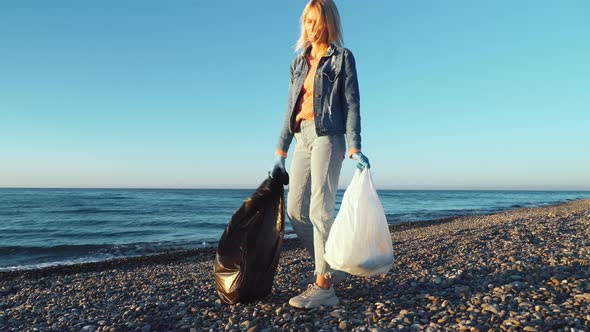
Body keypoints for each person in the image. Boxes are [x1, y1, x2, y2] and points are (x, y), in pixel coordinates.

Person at [271, 0, 370, 309]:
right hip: (302, 138)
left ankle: (324, 285)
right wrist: (280, 151)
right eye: (307, 22)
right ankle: (332, 266)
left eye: (316, 21)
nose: (310, 28)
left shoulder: (342, 58)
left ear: (329, 23)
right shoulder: (298, 62)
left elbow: (352, 104)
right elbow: (290, 108)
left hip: (329, 136)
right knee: (296, 212)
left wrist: (355, 147)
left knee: (320, 211)